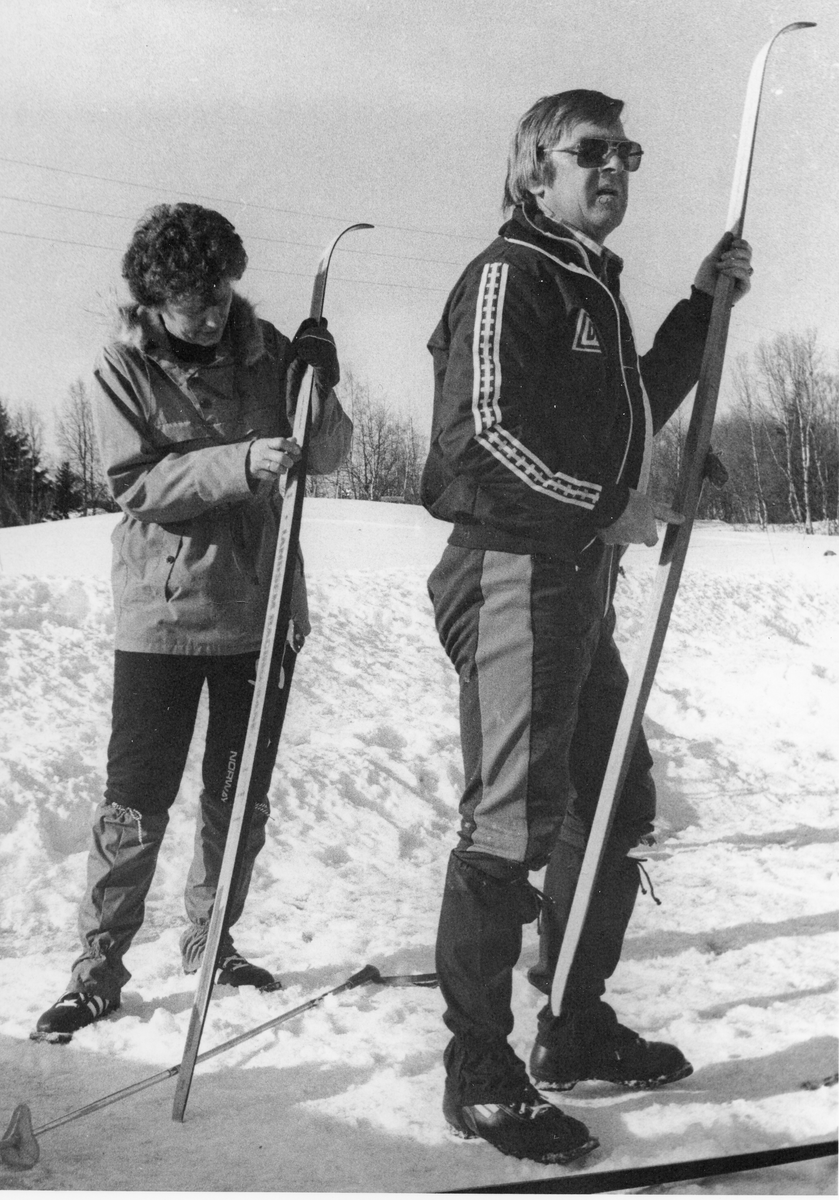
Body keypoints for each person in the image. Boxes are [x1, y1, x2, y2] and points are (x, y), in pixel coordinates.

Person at [421, 90, 753, 1164]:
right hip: (513, 571)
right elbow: (474, 443)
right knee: (511, 824)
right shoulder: (509, 275)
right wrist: (601, 501)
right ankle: (478, 1072)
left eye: (626, 153)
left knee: (612, 800)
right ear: (533, 170)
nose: (612, 168)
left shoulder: (590, 286)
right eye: (589, 151)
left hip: (575, 578)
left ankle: (570, 1020)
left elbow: (625, 414)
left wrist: (699, 313)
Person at [33, 203, 352, 1042]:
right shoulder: (122, 367)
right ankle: (97, 971)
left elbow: (323, 455)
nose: (210, 314)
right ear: (151, 298)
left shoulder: (269, 349)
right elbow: (135, 482)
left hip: (264, 605)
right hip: (164, 619)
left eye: (218, 293)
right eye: (188, 300)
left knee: (236, 797)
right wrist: (240, 462)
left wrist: (322, 382)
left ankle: (213, 943)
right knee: (136, 802)